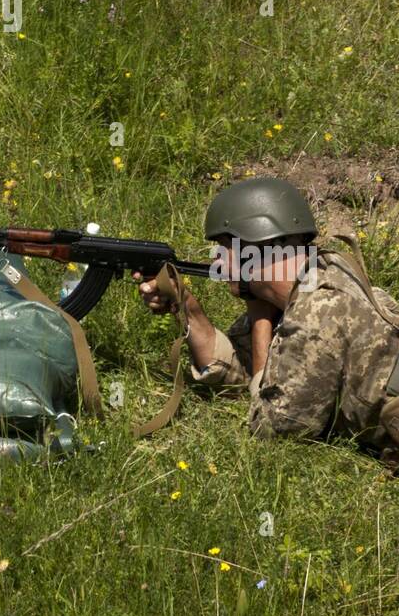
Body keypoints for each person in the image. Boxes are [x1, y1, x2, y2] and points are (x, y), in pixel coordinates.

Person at [136, 176, 399, 469]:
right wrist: (187, 306)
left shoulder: (316, 312)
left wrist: (260, 319)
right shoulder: (316, 279)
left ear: (257, 245)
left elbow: (275, 429)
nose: (217, 263)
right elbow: (238, 371)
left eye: (224, 248)